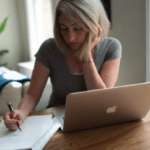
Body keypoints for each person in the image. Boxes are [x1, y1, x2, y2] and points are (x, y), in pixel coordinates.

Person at [3, 0, 122, 131]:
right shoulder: (48, 49)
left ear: (95, 25)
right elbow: (32, 95)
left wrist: (86, 54)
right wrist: (21, 112)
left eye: (78, 28)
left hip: (93, 121)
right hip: (55, 123)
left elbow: (101, 101)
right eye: (64, 28)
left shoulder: (111, 47)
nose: (70, 37)